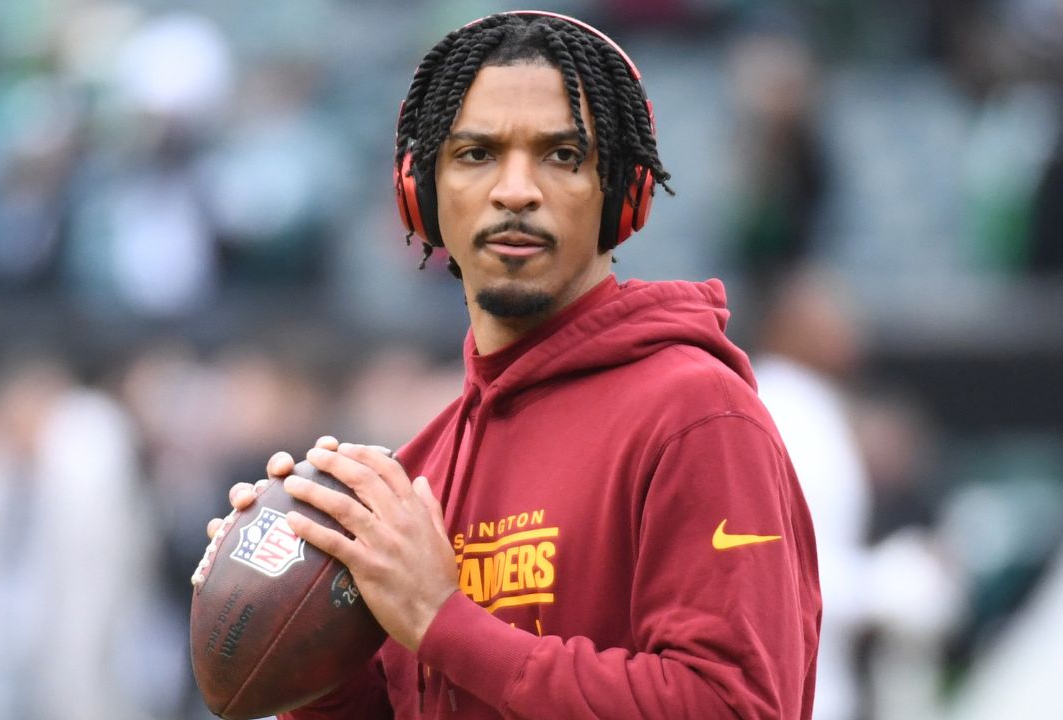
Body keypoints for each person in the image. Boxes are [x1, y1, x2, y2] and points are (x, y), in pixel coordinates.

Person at [194, 11, 820, 719]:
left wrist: (446, 623)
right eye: (476, 154)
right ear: (419, 194)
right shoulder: (415, 478)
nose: (516, 190)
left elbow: (733, 708)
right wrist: (307, 655)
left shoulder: (698, 416)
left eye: (561, 155)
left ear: (624, 191)